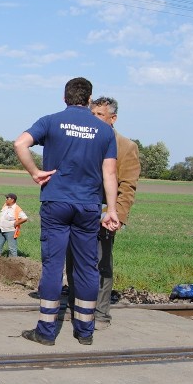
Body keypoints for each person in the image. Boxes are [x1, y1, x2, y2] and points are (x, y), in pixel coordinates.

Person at [14, 77, 119, 346]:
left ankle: (46, 332)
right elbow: (110, 173)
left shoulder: (50, 121)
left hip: (56, 202)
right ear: (89, 100)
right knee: (87, 267)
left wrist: (35, 172)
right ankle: (85, 331)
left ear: (64, 98)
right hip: (88, 206)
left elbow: (20, 144)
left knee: (53, 266)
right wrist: (112, 210)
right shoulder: (105, 131)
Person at [66, 96, 140, 330]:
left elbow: (127, 186)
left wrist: (116, 214)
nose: (94, 119)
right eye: (92, 114)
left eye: (100, 115)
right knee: (74, 261)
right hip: (78, 211)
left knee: (101, 265)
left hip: (105, 215)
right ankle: (75, 308)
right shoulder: (83, 140)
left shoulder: (126, 147)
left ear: (113, 118)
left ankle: (100, 313)